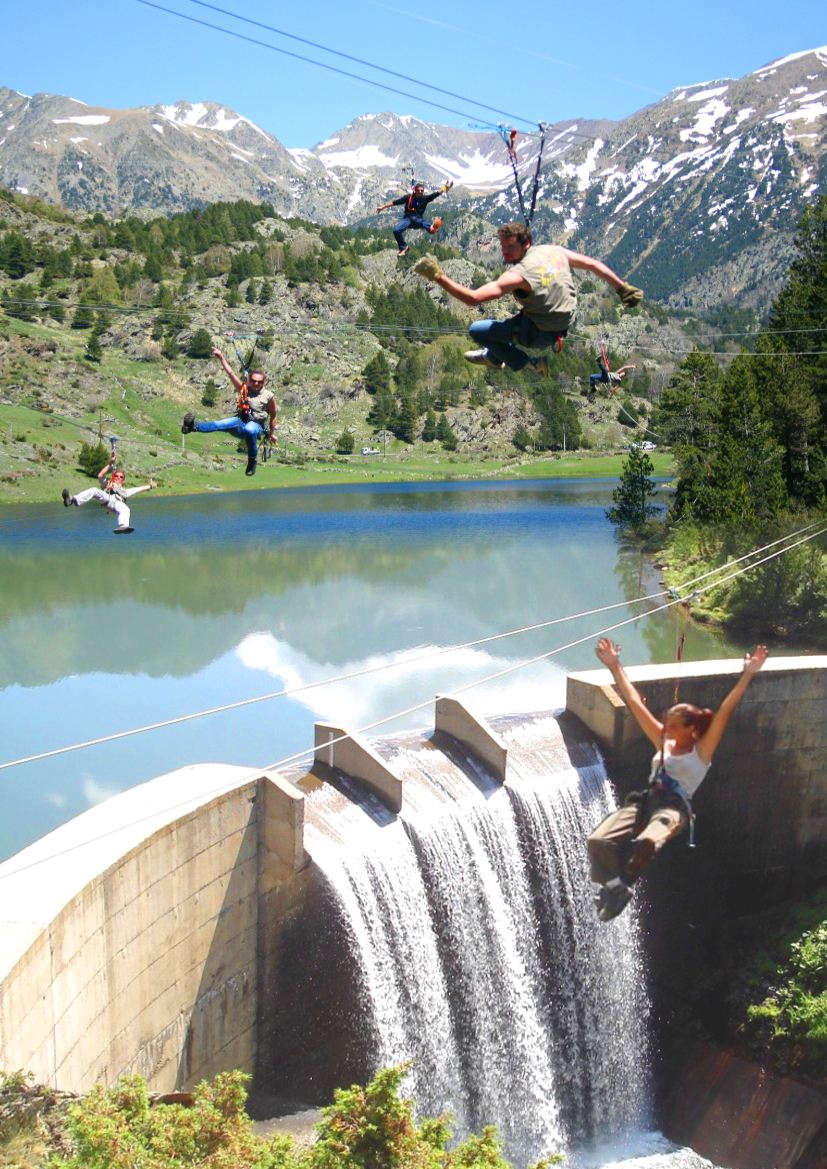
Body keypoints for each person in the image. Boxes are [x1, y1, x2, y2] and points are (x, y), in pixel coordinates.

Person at [587, 637, 769, 922]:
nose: (665, 729)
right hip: (646, 802)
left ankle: (624, 884)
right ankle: (613, 888)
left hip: (674, 810)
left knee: (648, 841)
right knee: (597, 840)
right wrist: (614, 665)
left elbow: (725, 711)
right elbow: (634, 702)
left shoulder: (702, 751)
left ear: (690, 730)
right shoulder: (663, 741)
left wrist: (748, 674)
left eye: (672, 726)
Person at [413, 222, 643, 377]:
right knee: (505, 326)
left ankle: (529, 363)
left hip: (540, 334)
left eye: (511, 247)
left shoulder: (517, 275)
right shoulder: (554, 251)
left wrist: (438, 277)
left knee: (477, 330)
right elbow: (593, 264)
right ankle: (495, 355)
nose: (506, 252)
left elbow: (473, 299)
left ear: (526, 244)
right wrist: (621, 287)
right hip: (561, 322)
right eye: (503, 246)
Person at [181, 348, 276, 477]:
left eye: (259, 381)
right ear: (250, 380)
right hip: (240, 423)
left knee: (249, 429)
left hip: (256, 427)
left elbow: (273, 416)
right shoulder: (244, 389)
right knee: (219, 424)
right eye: (253, 380)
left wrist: (272, 434)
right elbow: (231, 374)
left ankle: (252, 460)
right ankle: (193, 427)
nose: (255, 383)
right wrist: (221, 358)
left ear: (263, 382)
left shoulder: (269, 396)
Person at [62, 463, 157, 533]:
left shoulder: (125, 492)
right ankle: (72, 500)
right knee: (94, 490)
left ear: (123, 480)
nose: (118, 477)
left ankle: (123, 526)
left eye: (121, 477)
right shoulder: (108, 485)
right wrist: (110, 464)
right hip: (107, 500)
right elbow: (100, 475)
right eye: (116, 476)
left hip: (117, 504)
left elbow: (139, 489)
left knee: (125, 509)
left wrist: (151, 485)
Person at [376, 179, 452, 257]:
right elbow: (395, 202)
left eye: (422, 191)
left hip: (417, 219)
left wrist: (444, 189)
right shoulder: (408, 197)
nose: (420, 192)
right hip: (407, 219)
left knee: (424, 222)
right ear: (415, 191)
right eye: (419, 190)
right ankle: (404, 247)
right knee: (396, 231)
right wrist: (383, 207)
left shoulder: (424, 198)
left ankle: (431, 228)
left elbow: (435, 194)